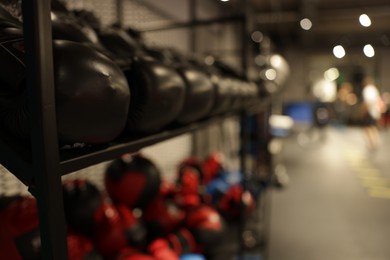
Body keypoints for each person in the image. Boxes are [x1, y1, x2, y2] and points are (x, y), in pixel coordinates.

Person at [360, 77, 384, 149]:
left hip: (369, 111)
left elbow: (368, 102)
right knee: (372, 126)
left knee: (367, 127)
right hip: (375, 111)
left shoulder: (367, 90)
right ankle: (375, 141)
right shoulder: (374, 89)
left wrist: (363, 111)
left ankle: (372, 142)